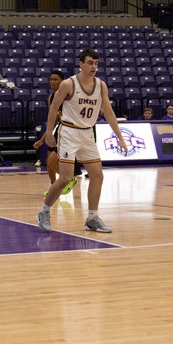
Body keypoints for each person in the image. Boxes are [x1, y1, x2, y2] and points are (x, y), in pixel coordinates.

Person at [37, 49, 128, 234]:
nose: (94, 67)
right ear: (81, 64)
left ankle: (92, 218)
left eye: (96, 63)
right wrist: (48, 132)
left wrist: (120, 137)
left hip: (87, 134)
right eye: (90, 63)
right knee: (65, 178)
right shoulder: (68, 84)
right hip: (69, 132)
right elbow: (54, 107)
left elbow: (109, 112)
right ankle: (44, 211)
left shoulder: (101, 85)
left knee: (97, 175)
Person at [32, 70, 82, 194]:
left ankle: (68, 179)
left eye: (55, 79)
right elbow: (53, 120)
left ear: (62, 81)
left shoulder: (69, 95)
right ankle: (54, 187)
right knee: (49, 162)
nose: (52, 82)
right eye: (51, 79)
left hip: (71, 130)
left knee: (51, 161)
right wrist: (43, 138)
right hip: (60, 129)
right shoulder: (51, 98)